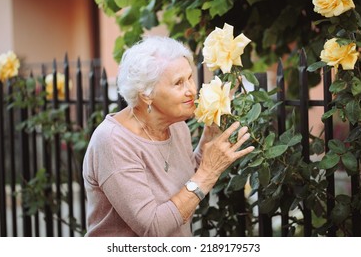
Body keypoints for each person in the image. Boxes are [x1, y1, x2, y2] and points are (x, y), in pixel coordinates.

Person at [82, 36, 255, 237]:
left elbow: (186, 185)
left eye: (190, 78)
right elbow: (153, 227)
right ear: (146, 94)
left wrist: (209, 140)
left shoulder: (176, 126)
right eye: (178, 83)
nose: (191, 90)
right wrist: (208, 171)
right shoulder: (113, 141)